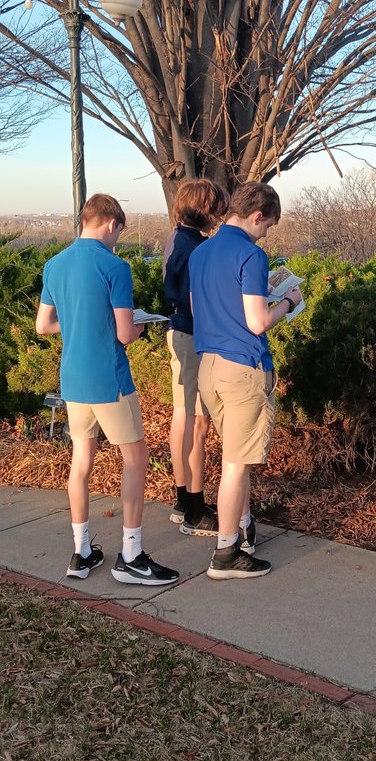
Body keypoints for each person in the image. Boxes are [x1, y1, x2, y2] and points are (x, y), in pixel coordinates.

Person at [35, 193, 179, 587]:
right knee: (135, 459)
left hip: (73, 382)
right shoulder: (115, 266)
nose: (117, 239)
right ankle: (131, 555)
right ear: (112, 224)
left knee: (81, 461)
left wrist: (82, 319)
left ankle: (81, 551)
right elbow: (124, 335)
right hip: (109, 380)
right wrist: (141, 325)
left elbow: (43, 326)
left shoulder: (54, 264)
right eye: (119, 232)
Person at [189, 182, 302, 580]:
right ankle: (226, 554)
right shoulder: (251, 255)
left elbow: (199, 306)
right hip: (243, 370)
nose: (266, 234)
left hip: (209, 367)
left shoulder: (201, 252)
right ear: (257, 216)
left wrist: (261, 290)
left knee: (235, 456)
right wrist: (287, 303)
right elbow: (256, 322)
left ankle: (242, 529)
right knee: (236, 464)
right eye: (267, 226)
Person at [162, 178, 229, 535]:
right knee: (196, 423)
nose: (219, 217)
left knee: (183, 416)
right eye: (216, 208)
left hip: (178, 331)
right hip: (192, 334)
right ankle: (195, 507)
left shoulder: (176, 238)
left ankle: (182, 499)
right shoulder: (196, 249)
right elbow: (195, 301)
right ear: (204, 208)